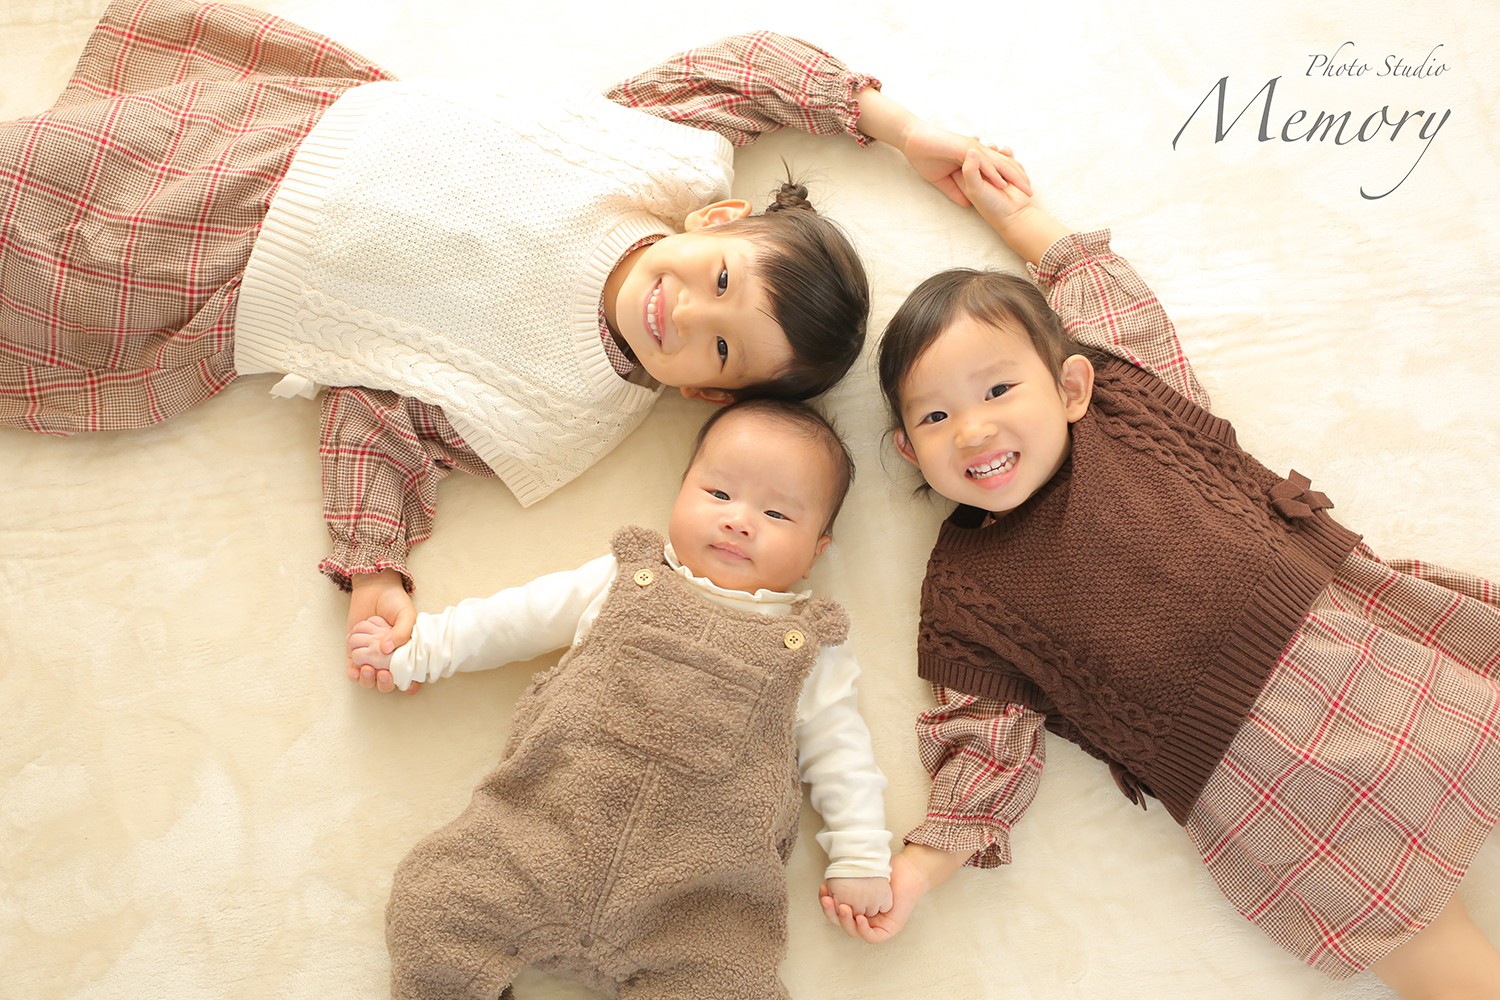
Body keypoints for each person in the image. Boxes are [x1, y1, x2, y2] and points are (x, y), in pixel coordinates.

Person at [0, 0, 1029, 693]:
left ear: (704, 398)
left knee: (43, 258)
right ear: (716, 221)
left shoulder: (568, 409)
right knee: (38, 160)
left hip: (213, 272)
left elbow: (384, 424)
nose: (684, 315)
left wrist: (376, 569)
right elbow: (752, 70)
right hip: (281, 128)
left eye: (717, 351)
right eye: (718, 282)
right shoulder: (651, 154)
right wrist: (898, 127)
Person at [824, 145, 1500, 997]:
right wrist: (921, 868)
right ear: (906, 450)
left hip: (1361, 652)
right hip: (1262, 785)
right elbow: (987, 746)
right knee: (1432, 952)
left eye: (997, 390)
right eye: (935, 416)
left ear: (1070, 387)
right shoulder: (963, 596)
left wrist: (1014, 214)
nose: (972, 430)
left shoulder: (1126, 398)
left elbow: (1106, 293)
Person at [347, 397, 890, 999]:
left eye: (777, 513)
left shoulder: (812, 649)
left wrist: (861, 857)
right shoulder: (622, 578)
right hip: (538, 842)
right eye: (718, 494)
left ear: (817, 549)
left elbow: (843, 758)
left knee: (730, 983)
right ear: (680, 493)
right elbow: (514, 619)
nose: (739, 521)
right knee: (435, 904)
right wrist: (418, 648)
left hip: (694, 901)